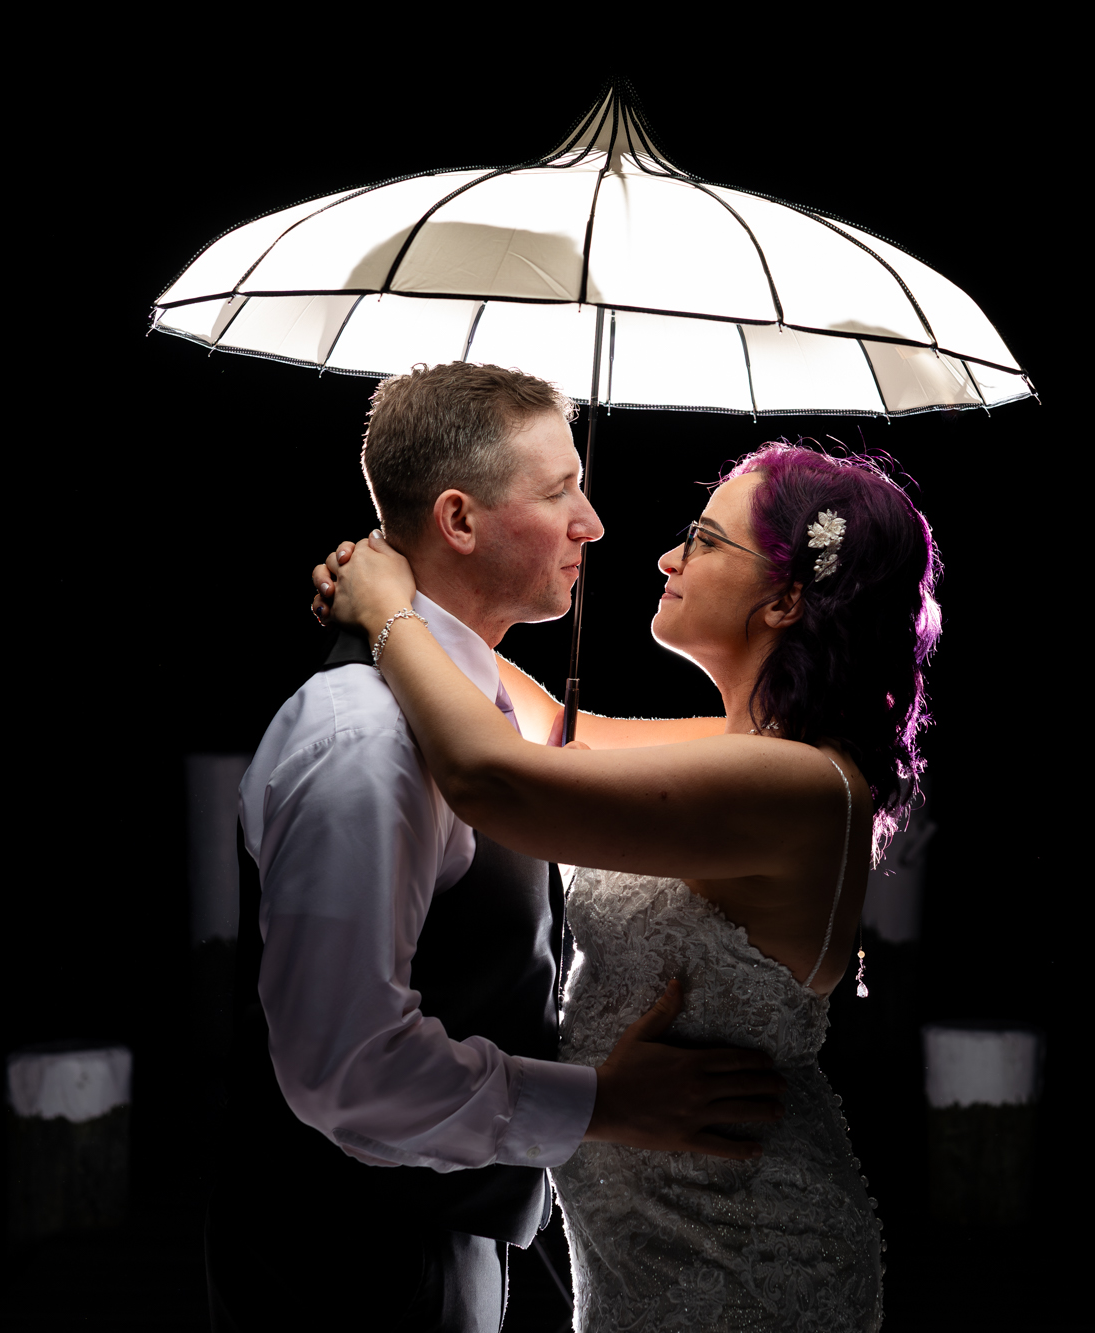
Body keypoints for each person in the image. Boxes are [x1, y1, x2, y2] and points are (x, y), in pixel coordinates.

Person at [208, 363, 787, 1333]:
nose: (593, 524)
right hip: (345, 1275)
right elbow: (349, 1069)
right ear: (459, 520)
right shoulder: (365, 740)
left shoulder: (475, 711)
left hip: (453, 1237)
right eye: (558, 491)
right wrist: (598, 1102)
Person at [315, 437, 940, 1332]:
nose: (667, 555)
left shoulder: (800, 787)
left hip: (740, 1254)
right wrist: (413, 594)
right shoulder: (740, 760)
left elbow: (496, 779)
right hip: (647, 1245)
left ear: (788, 598)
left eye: (705, 539)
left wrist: (387, 620)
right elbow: (547, 731)